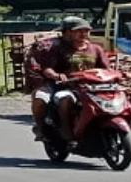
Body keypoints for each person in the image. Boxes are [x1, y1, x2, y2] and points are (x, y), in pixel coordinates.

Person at [25, 16, 110, 145]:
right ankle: (58, 128)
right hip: (64, 86)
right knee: (44, 98)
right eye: (79, 31)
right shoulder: (56, 48)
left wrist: (121, 74)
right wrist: (57, 76)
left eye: (86, 30)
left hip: (91, 87)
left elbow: (106, 69)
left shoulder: (96, 49)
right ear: (67, 32)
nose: (84, 34)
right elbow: (47, 69)